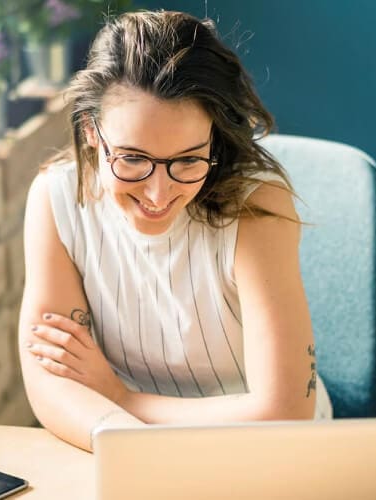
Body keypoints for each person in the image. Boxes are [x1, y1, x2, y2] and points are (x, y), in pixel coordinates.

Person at [19, 9, 332, 452]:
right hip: (120, 438)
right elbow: (51, 377)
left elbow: (284, 413)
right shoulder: (56, 198)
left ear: (213, 139)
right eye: (131, 158)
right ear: (92, 131)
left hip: (260, 452)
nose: (158, 192)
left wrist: (120, 399)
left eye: (188, 159)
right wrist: (130, 441)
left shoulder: (257, 207)